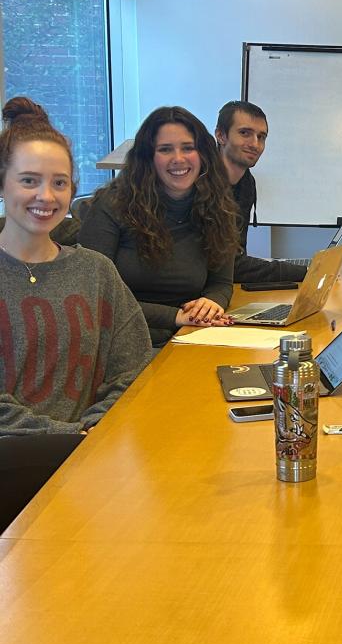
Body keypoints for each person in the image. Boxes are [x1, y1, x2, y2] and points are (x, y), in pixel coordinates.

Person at [0, 97, 151, 530]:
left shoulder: (94, 271)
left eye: (60, 183)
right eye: (29, 180)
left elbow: (133, 368)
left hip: (92, 461)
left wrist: (94, 429)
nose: (46, 197)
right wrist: (66, 438)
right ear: (4, 184)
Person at [79, 106, 240, 347]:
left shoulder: (217, 206)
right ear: (148, 158)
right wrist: (175, 316)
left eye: (188, 148)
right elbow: (93, 294)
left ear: (203, 154)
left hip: (188, 337)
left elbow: (221, 281)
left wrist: (212, 302)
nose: (178, 158)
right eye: (165, 149)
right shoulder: (113, 205)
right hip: (124, 342)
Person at [215, 100, 307, 283]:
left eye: (261, 137)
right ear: (221, 135)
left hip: (225, 290)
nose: (255, 144)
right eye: (245, 133)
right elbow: (226, 265)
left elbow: (238, 252)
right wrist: (305, 272)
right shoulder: (199, 184)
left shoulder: (247, 183)